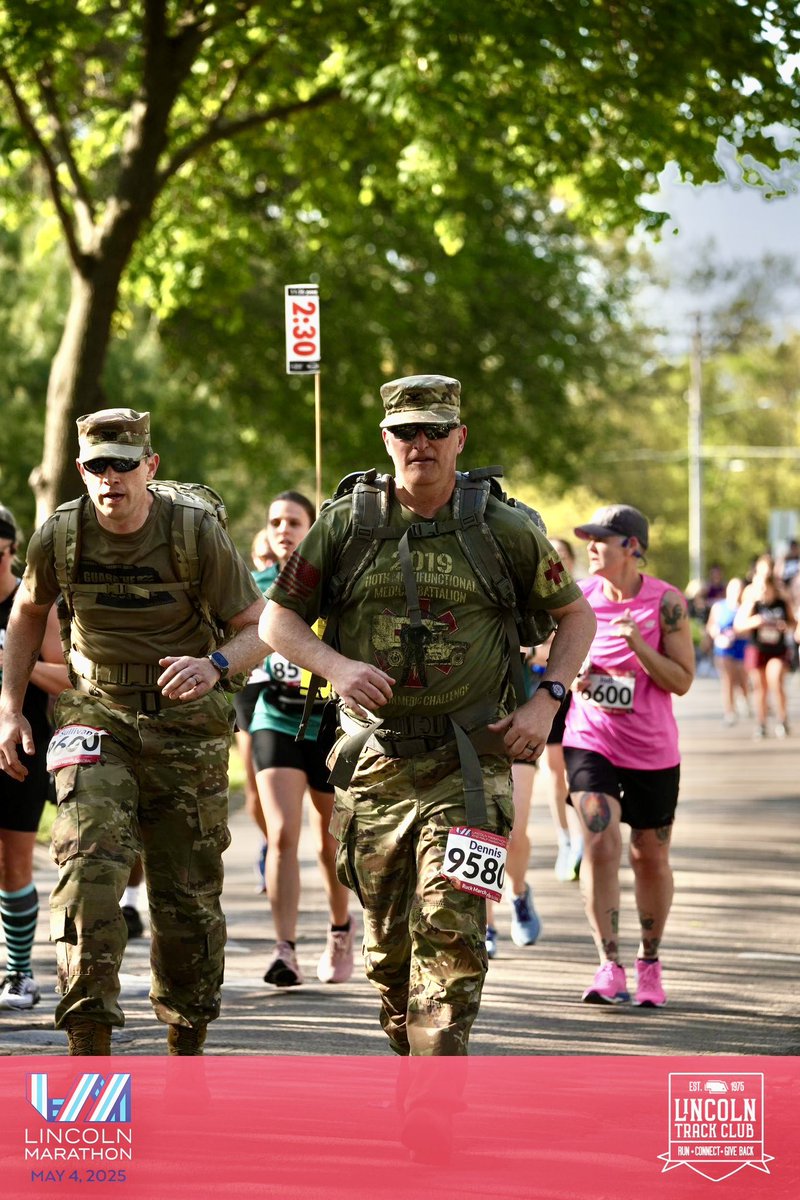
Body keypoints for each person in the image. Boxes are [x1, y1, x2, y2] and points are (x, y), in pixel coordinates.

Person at [260, 374, 595, 1056]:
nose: (421, 443)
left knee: (452, 940)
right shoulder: (347, 525)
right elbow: (276, 620)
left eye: (436, 430)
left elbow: (577, 615)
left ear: (459, 438)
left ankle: (436, 1093)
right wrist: (337, 667)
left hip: (472, 765)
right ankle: (415, 1057)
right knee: (390, 959)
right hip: (377, 766)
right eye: (406, 432)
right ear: (387, 440)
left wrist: (547, 698)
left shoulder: (504, 529)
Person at [0, 409, 265, 1056]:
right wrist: (9, 707)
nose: (110, 478)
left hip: (187, 723)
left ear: (150, 466)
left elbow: (260, 626)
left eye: (123, 465)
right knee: (87, 867)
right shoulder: (60, 534)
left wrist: (216, 664)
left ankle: (186, 1038)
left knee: (185, 899)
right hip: (98, 713)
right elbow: (27, 612)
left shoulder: (194, 533)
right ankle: (87, 1039)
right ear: (81, 469)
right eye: (97, 466)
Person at [562, 504, 694, 1008]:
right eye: (589, 538)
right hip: (590, 738)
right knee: (599, 841)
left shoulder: (666, 602)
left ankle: (649, 963)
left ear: (632, 547)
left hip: (651, 749)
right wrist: (575, 673)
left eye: (602, 538)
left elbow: (682, 680)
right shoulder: (579, 598)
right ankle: (609, 964)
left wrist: (639, 645)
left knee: (649, 856)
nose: (592, 547)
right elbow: (554, 656)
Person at [250, 491, 353, 988]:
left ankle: (340, 928)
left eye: (293, 521)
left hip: (328, 723)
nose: (283, 530)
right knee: (282, 834)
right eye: (275, 522)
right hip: (275, 717)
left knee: (330, 841)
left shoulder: (334, 582)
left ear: (312, 529)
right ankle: (284, 949)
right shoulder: (255, 588)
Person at [0, 505, 70, 1010]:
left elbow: (68, 676)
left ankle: (19, 972)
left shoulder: (31, 603)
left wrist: (14, 665)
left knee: (14, 864)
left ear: (8, 547)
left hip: (21, 746)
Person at [530, 537, 585, 883]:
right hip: (543, 692)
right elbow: (531, 649)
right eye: (552, 554)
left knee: (572, 768)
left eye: (563, 555)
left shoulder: (581, 597)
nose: (556, 561)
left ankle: (581, 837)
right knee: (554, 770)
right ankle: (564, 837)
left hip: (576, 692)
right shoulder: (533, 596)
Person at [232, 527, 276, 892]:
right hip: (250, 691)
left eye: (272, 558)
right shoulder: (245, 586)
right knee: (254, 791)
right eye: (262, 558)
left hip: (293, 692)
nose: (268, 563)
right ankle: (271, 840)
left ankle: (283, 845)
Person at [735, 554, 797, 739]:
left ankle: (782, 719)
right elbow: (739, 625)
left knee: (775, 680)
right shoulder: (751, 599)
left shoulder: (782, 598)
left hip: (777, 649)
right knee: (760, 687)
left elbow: (793, 622)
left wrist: (784, 626)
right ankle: (761, 723)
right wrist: (755, 621)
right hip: (758, 648)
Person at [705, 577, 750, 726]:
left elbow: (750, 629)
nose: (736, 592)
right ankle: (729, 711)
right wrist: (717, 635)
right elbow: (711, 626)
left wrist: (737, 633)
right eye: (733, 589)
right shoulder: (719, 607)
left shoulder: (746, 607)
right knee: (728, 679)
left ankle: (744, 697)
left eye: (739, 589)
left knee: (742, 678)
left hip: (742, 647)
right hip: (723, 648)